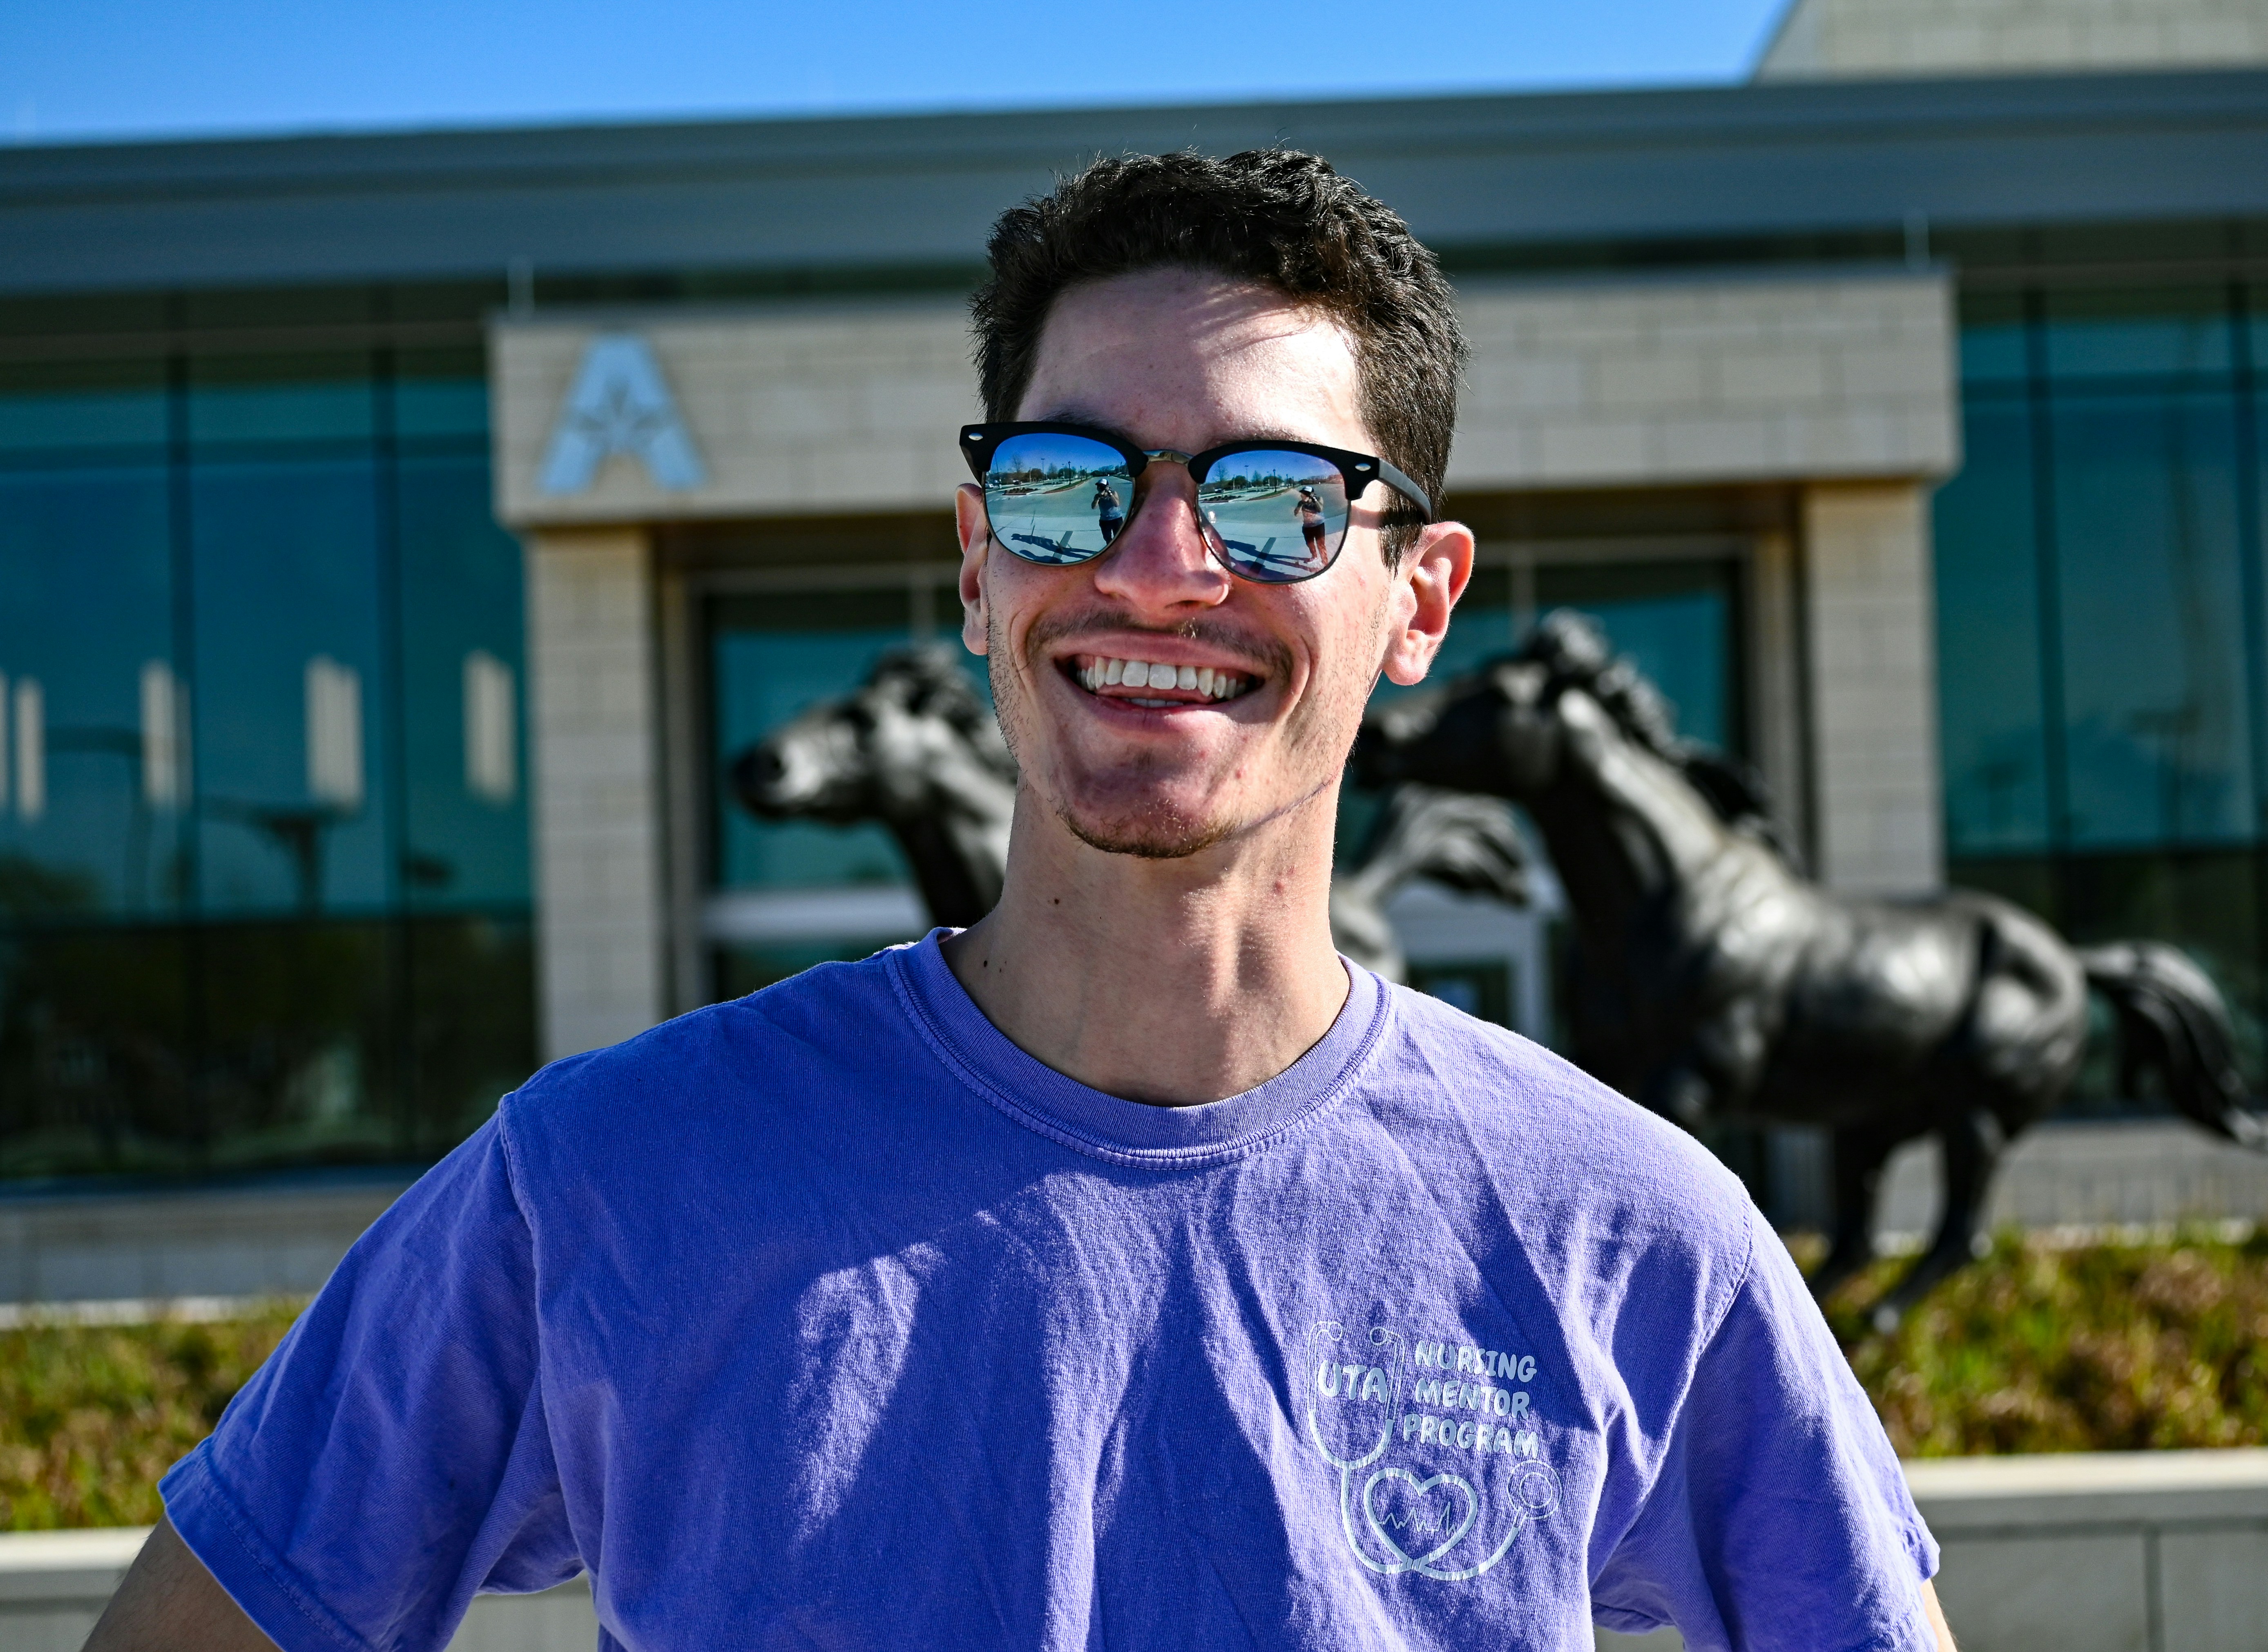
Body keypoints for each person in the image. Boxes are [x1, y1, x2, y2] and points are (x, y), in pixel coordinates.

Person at [87, 150, 1958, 1652]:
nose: (1156, 567)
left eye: (1277, 498)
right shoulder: (600, 1179)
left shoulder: (1625, 1230)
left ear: (1419, 599)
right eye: (1073, 486)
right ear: (981, 561)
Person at [1291, 481, 1328, 562]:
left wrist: (1315, 500)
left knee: (1321, 545)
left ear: (1310, 495)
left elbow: (1320, 510)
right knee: (1309, 543)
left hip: (1319, 525)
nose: (1302, 496)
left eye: (1304, 494)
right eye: (1302, 494)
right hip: (1307, 526)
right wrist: (1300, 506)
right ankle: (1315, 556)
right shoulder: (1301, 503)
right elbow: (1296, 514)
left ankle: (1325, 562)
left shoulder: (1318, 499)